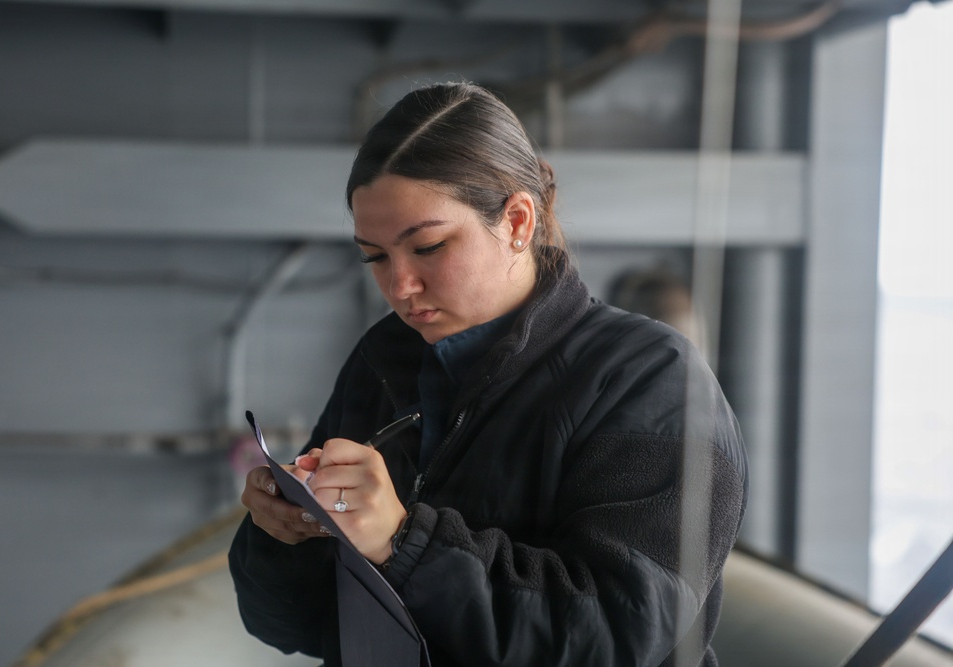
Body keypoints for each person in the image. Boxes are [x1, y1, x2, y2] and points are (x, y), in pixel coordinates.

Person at [228, 82, 748, 667]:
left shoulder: (651, 379)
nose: (399, 287)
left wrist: (404, 544)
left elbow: (622, 634)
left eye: (427, 247)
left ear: (519, 220)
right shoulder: (384, 360)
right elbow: (289, 628)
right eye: (374, 256)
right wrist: (284, 537)